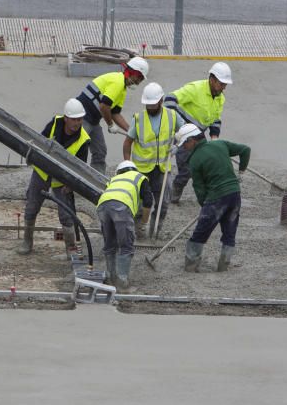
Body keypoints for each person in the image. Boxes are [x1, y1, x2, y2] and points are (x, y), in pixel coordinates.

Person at [17, 98, 91, 257]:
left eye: (80, 119)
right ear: (66, 118)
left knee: (66, 215)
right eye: (74, 119)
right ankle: (27, 241)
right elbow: (39, 142)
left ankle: (70, 248)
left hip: (62, 180)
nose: (78, 123)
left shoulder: (83, 140)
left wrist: (71, 184)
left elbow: (81, 168)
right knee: (31, 207)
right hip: (42, 172)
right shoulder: (54, 125)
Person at [175, 123, 250, 274]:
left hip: (216, 198)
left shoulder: (194, 160)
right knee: (229, 232)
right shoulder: (220, 144)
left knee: (200, 233)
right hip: (235, 194)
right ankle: (224, 266)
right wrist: (241, 172)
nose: (184, 147)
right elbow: (245, 150)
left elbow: (200, 190)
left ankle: (191, 266)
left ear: (192, 140)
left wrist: (205, 208)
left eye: (185, 144)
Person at [164, 61, 232, 204]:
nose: (224, 87)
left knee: (205, 163)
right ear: (212, 80)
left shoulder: (220, 98)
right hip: (183, 135)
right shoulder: (195, 89)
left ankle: (208, 195)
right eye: (222, 83)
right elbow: (169, 100)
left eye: (225, 84)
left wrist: (214, 139)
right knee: (188, 167)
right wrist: (182, 127)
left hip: (199, 135)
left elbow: (215, 120)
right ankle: (176, 187)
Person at [122, 82, 184, 238]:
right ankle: (139, 230)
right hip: (142, 171)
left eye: (153, 104)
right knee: (141, 204)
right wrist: (128, 166)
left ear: (161, 100)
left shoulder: (172, 116)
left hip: (163, 168)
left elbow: (185, 133)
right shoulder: (139, 118)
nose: (150, 108)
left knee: (163, 204)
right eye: (147, 105)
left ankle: (155, 232)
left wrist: (177, 145)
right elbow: (127, 143)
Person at [75, 56, 149, 176]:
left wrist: (132, 131)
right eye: (139, 78)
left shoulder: (123, 89)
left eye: (140, 79)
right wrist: (110, 125)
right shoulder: (118, 82)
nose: (138, 82)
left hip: (93, 120)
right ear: (132, 72)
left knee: (100, 151)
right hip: (81, 118)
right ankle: (70, 180)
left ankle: (95, 181)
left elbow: (115, 113)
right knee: (78, 150)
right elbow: (104, 106)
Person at [96, 160, 155, 292]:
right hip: (121, 207)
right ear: (134, 169)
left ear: (119, 171)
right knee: (126, 244)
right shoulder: (140, 177)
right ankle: (122, 283)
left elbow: (108, 197)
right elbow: (148, 201)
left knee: (110, 244)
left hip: (102, 206)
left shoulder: (114, 179)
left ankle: (111, 278)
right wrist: (144, 222)